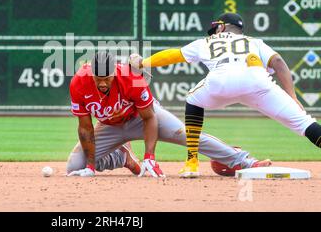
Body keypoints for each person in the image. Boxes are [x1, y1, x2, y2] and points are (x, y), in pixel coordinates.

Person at [131, 12, 321, 178]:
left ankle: (192, 163)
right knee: (304, 123)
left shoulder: (206, 41)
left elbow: (174, 55)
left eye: (216, 28)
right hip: (257, 83)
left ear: (221, 27)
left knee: (193, 99)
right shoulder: (254, 42)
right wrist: (292, 97)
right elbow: (279, 62)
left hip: (221, 82)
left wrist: (143, 63)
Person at [66, 51, 271, 177]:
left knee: (186, 135)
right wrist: (91, 166)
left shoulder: (131, 77)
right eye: (98, 78)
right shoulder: (78, 82)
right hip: (109, 126)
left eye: (107, 78)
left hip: (140, 118)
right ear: (91, 74)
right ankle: (121, 157)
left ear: (115, 73)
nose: (102, 83)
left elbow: (149, 117)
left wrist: (150, 157)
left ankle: (245, 162)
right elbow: (85, 127)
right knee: (75, 166)